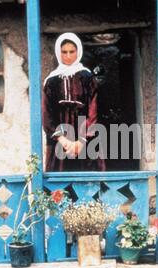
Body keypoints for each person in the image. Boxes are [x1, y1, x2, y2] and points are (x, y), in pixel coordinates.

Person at [42, 33, 106, 172]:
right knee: (59, 186)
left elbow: (93, 110)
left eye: (72, 51)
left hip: (85, 138)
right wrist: (64, 141)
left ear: (78, 52)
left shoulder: (87, 78)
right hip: (60, 140)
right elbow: (47, 114)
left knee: (87, 182)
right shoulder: (51, 81)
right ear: (58, 53)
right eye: (64, 52)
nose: (68, 56)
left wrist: (81, 142)